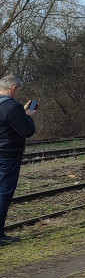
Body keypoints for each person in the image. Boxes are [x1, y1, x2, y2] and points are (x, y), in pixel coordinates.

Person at [0, 75, 37, 245]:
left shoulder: (9, 107)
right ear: (14, 88)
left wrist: (21, 112)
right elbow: (27, 131)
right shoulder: (12, 106)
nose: (18, 93)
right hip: (7, 156)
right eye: (19, 90)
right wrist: (28, 116)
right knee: (3, 194)